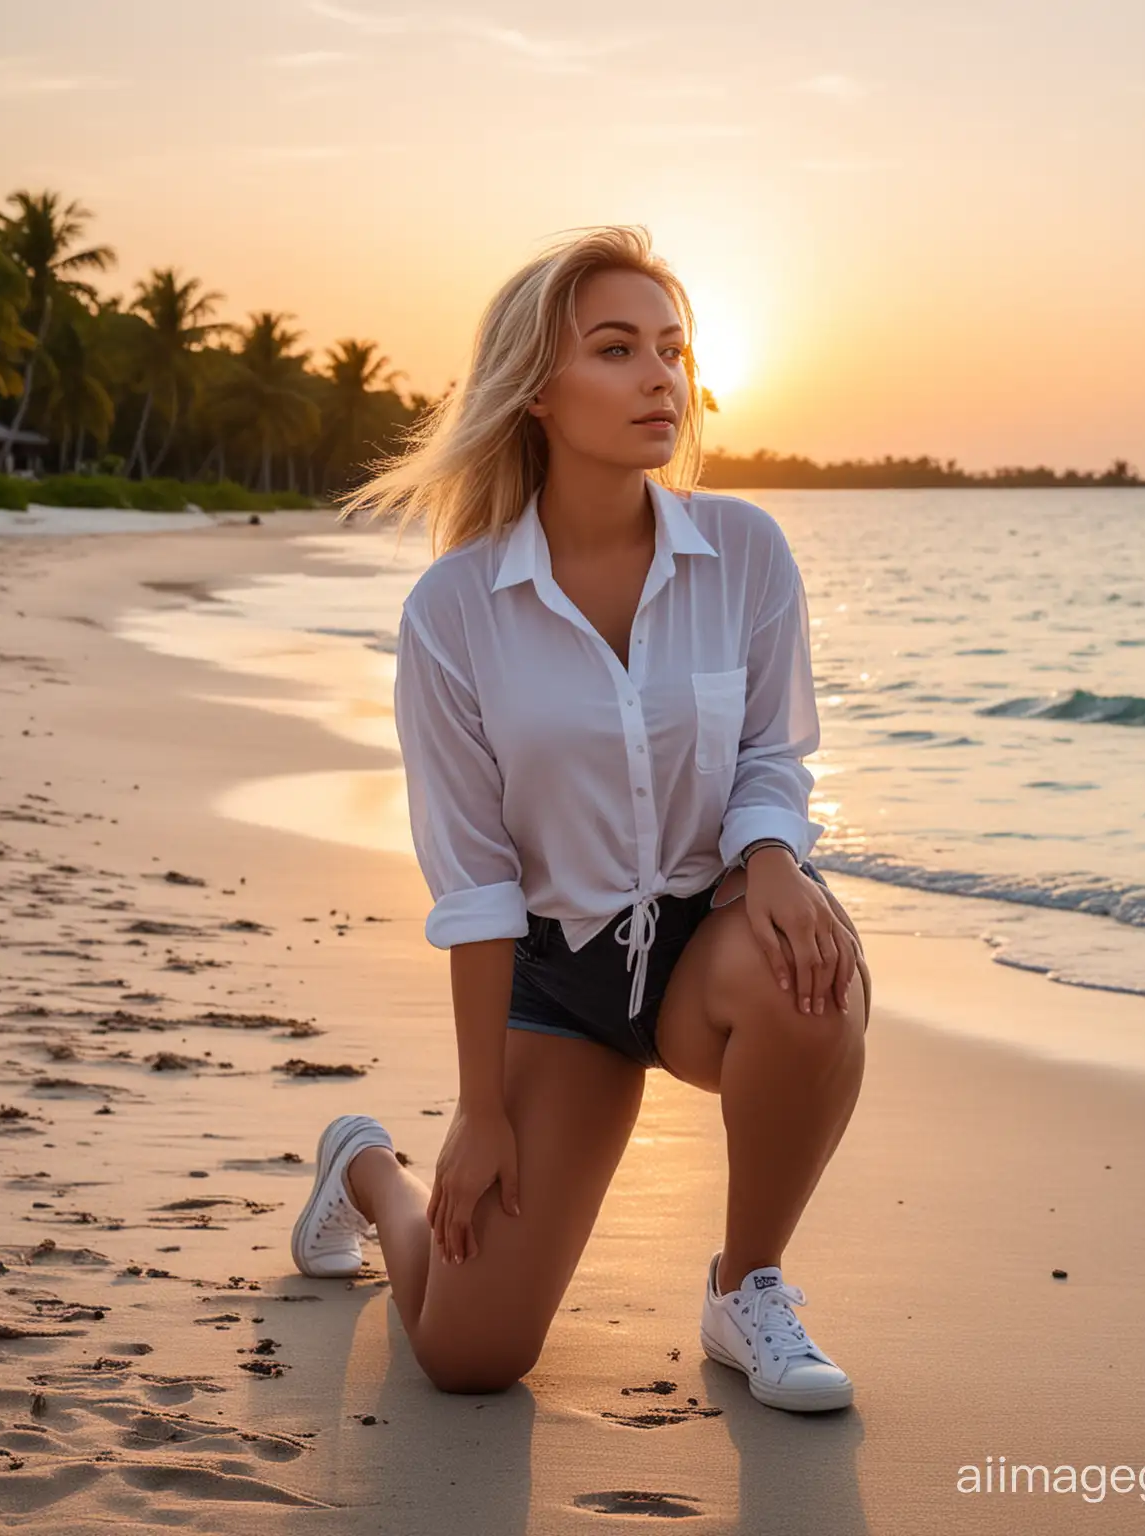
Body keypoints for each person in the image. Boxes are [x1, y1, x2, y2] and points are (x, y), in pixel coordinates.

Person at [288, 225, 872, 1414]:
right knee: (469, 1358)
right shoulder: (455, 613)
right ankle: (365, 1172)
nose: (661, 377)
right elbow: (476, 878)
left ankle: (746, 1286)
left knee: (812, 976)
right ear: (539, 390)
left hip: (707, 942)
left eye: (673, 348)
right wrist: (479, 1110)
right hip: (557, 976)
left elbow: (774, 752)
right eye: (617, 349)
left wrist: (772, 857)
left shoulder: (748, 556)